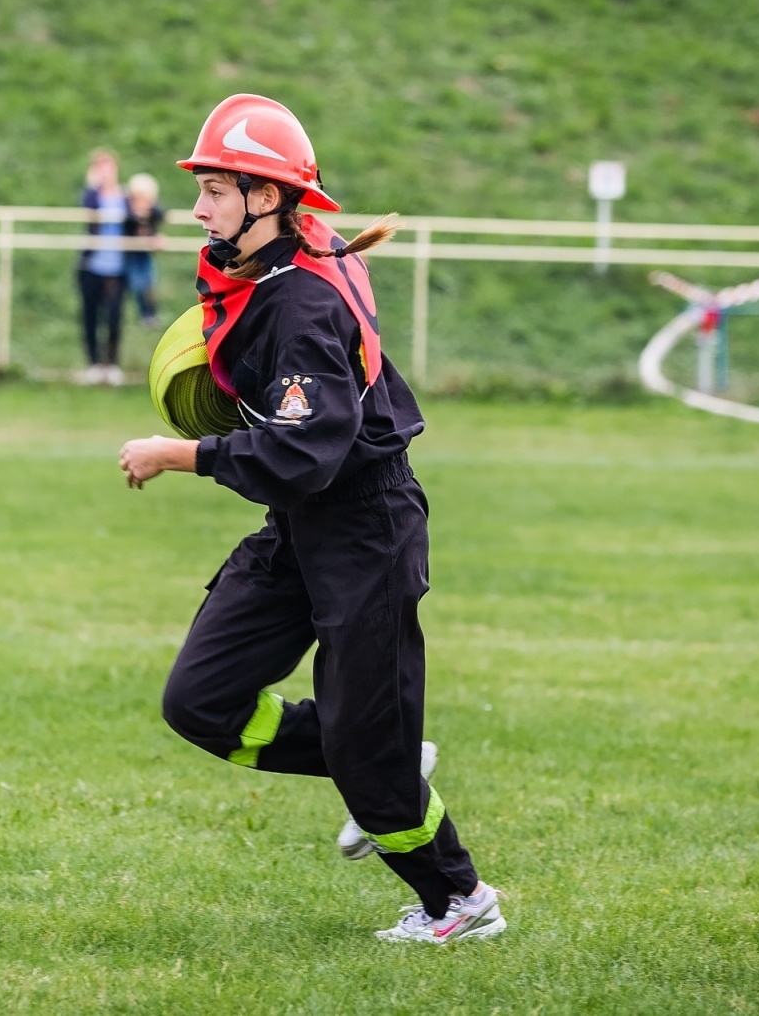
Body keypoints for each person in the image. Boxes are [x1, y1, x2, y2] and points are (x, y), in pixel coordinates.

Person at [118, 94, 505, 945]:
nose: (198, 209)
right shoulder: (293, 261)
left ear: (267, 198)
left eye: (216, 189)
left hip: (364, 528)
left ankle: (460, 901)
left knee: (374, 761)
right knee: (201, 702)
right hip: (301, 528)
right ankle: (367, 748)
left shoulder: (301, 307)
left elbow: (306, 454)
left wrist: (176, 452)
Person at [78, 149, 127, 385]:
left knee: (115, 317)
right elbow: (86, 205)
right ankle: (94, 364)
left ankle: (112, 364)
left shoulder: (125, 197)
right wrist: (95, 186)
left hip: (117, 268)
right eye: (101, 168)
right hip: (92, 266)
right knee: (90, 316)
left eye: (109, 167)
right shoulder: (92, 196)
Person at [123, 172, 165, 327]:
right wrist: (136, 214)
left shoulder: (152, 211)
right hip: (132, 254)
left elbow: (161, 213)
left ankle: (151, 313)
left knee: (149, 283)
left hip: (145, 253)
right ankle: (143, 313)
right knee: (137, 284)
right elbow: (127, 221)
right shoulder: (127, 212)